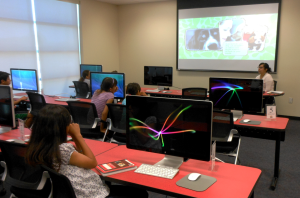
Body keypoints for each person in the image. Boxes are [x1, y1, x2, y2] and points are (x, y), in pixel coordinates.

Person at [25, 105, 148, 198]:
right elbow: (92, 163)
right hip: (91, 194)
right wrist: (78, 136)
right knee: (141, 193)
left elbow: (80, 154)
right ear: (62, 127)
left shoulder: (42, 146)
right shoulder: (63, 150)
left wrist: (74, 138)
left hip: (76, 192)